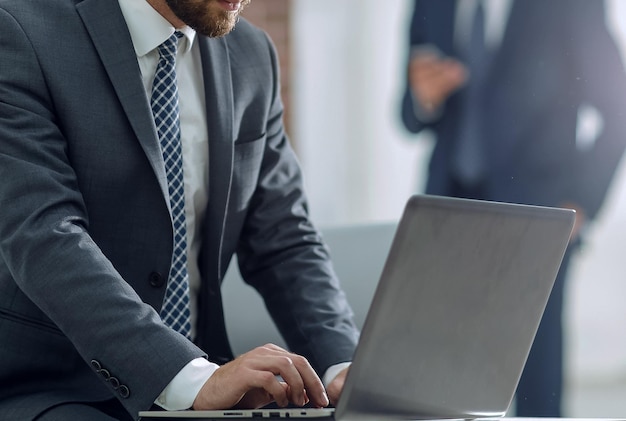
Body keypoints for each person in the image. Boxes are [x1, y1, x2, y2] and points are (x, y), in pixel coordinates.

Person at [0, 0, 358, 419]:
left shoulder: (252, 55)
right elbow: (44, 234)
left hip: (208, 383)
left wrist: (344, 363)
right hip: (53, 388)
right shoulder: (21, 31)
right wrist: (185, 375)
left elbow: (285, 239)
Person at [400, 0, 626, 416]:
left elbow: (618, 105)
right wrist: (422, 98)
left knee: (538, 386)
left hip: (539, 218)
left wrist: (581, 204)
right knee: (443, 380)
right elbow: (408, 114)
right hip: (448, 215)